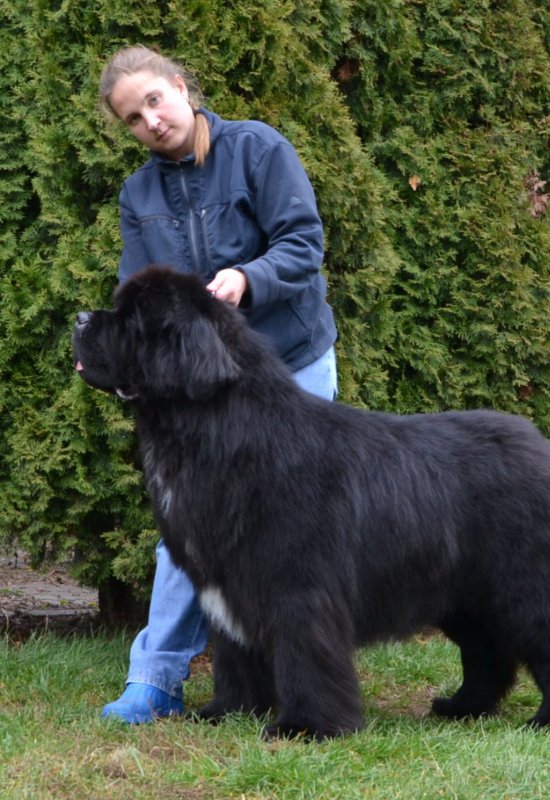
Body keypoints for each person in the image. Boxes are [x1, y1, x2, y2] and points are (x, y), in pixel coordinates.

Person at [97, 45, 338, 723]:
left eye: (154, 100)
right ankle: (155, 680)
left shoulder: (258, 149)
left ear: (180, 87)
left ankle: (301, 679)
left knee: (294, 530)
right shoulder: (138, 195)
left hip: (291, 361)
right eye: (133, 118)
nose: (151, 122)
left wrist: (247, 277)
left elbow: (303, 242)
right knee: (191, 522)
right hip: (206, 386)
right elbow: (138, 296)